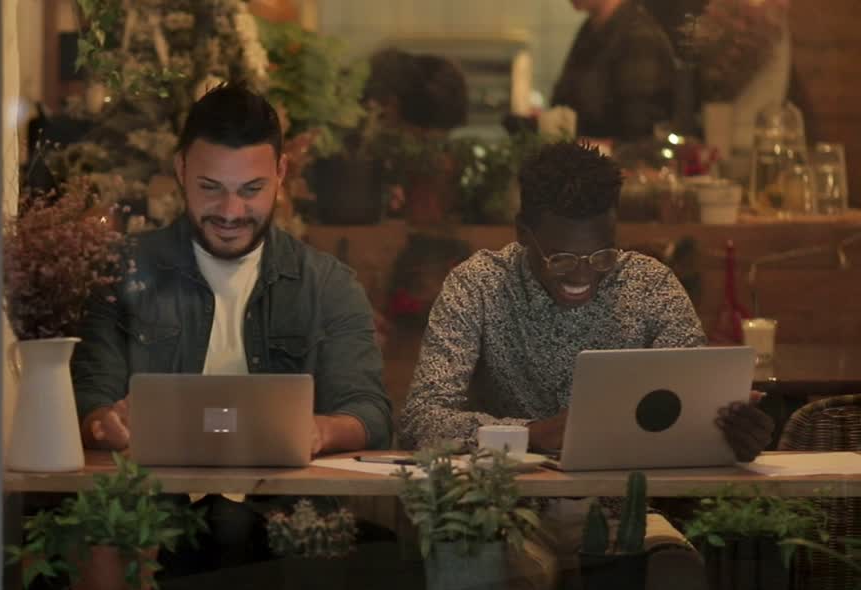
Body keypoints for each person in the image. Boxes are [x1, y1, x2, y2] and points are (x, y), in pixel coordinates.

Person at [399, 141, 773, 462]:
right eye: (560, 260)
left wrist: (729, 434)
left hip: (631, 506)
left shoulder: (651, 286)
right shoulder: (479, 285)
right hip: (510, 506)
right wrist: (530, 434)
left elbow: (690, 417)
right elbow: (421, 420)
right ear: (523, 234)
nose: (582, 276)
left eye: (601, 257)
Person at [72, 82, 391, 455]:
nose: (230, 211)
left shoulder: (329, 285)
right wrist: (104, 423)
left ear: (281, 172)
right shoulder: (119, 271)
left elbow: (371, 413)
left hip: (284, 506)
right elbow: (88, 399)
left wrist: (320, 431)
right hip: (154, 503)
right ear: (181, 169)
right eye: (210, 188)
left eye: (251, 189)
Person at [551, 0, 678, 143]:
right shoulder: (590, 30)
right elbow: (560, 106)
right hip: (583, 159)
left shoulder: (639, 37)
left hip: (614, 163)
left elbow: (641, 139)